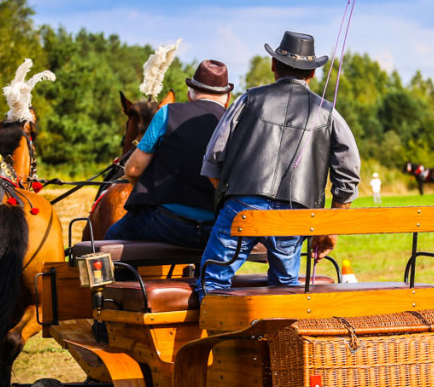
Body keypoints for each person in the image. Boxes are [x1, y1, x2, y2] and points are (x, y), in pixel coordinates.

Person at [198, 31, 360, 297]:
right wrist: (330, 226)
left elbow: (213, 156)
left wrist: (230, 198)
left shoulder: (247, 100)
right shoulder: (328, 112)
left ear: (273, 65)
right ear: (312, 74)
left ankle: (215, 333)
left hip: (242, 205)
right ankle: (279, 336)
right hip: (294, 213)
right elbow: (348, 171)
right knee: (285, 287)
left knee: (213, 280)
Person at [104, 60, 233, 247]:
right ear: (227, 99)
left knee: (111, 237)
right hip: (216, 230)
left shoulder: (167, 113)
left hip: (165, 225)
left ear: (190, 94)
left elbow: (132, 170)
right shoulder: (237, 123)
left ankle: (121, 276)